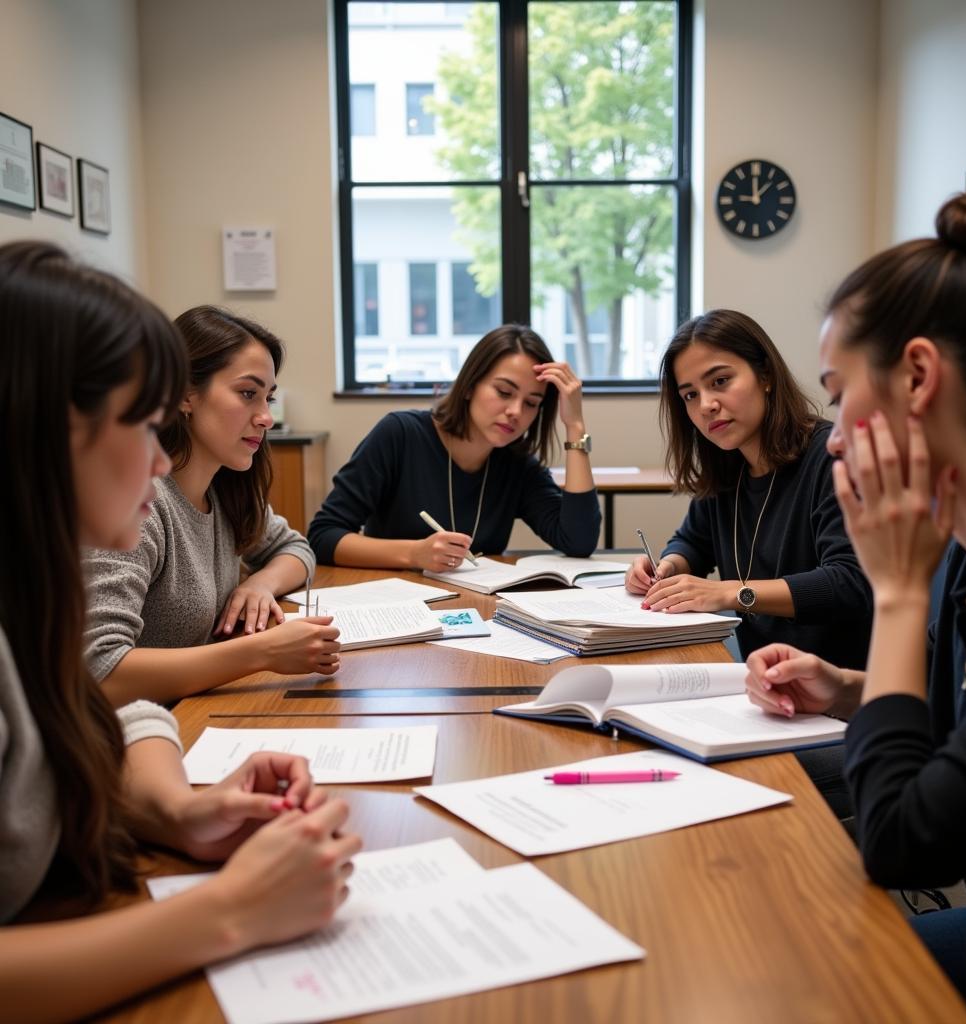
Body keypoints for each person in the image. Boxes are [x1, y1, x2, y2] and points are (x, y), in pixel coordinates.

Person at [0, 241, 360, 1021]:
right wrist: (228, 912)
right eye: (145, 424)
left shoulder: (33, 587)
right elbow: (105, 673)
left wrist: (179, 812)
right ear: (51, 428)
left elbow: (107, 710)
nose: (160, 464)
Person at [745, 193, 966, 1019]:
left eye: (838, 393)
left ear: (916, 375)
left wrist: (897, 595)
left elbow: (904, 846)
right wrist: (854, 686)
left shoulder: (933, 566)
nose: (832, 435)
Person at [83, 306, 342, 706]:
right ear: (185, 394)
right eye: (247, 394)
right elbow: (101, 671)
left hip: (197, 711)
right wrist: (264, 652)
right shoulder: (140, 504)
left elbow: (296, 548)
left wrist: (260, 583)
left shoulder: (226, 488)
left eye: (268, 398)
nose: (266, 418)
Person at [625, 309, 873, 672]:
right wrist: (666, 567)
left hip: (833, 688)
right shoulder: (729, 463)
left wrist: (730, 593)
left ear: (766, 375)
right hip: (760, 681)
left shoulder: (831, 456)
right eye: (690, 395)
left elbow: (849, 583)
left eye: (720, 381)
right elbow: (693, 541)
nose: (706, 404)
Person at [308, 324, 601, 570]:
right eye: (503, 392)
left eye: (531, 403)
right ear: (471, 384)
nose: (515, 411)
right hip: (396, 604)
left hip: (477, 613)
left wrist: (575, 426)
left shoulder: (518, 463)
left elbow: (579, 542)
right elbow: (323, 536)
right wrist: (413, 554)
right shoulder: (399, 434)